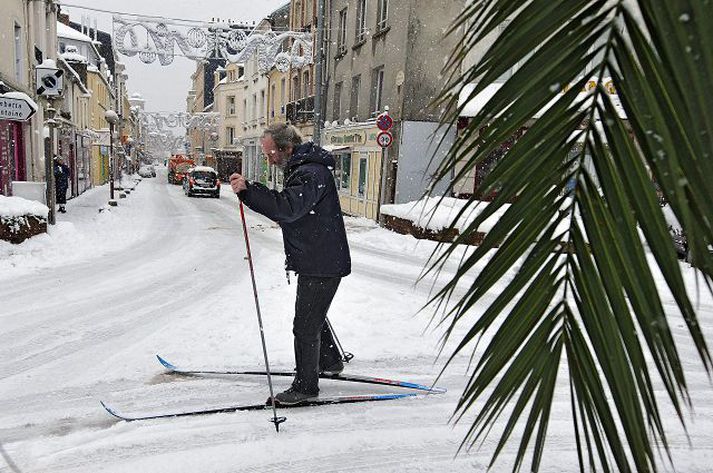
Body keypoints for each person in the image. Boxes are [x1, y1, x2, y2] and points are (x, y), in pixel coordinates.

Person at [230, 124, 351, 405]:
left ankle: (306, 386)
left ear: (287, 148)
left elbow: (287, 208)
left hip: (321, 261)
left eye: (270, 152)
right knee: (312, 315)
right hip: (318, 259)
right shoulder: (305, 169)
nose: (269, 158)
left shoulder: (311, 172)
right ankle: (329, 361)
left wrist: (249, 192)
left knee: (305, 325)